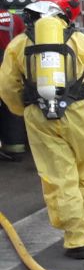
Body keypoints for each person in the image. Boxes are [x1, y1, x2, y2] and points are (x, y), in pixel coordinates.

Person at [0, 0, 84, 258]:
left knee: (60, 177)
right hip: (80, 112)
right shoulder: (80, 41)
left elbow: (7, 87)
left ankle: (77, 239)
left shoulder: (19, 44)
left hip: (39, 115)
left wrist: (21, 110)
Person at [0, 10, 29, 161]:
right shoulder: (14, 18)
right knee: (11, 105)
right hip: (9, 65)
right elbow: (22, 41)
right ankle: (15, 148)